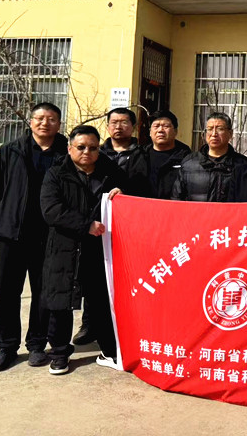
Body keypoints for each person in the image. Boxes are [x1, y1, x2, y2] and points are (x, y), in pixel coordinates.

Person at [0, 102, 68, 372]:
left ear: (59, 124)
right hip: (12, 232)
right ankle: (6, 346)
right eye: (39, 118)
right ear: (30, 122)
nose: (45, 123)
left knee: (43, 294)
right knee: (7, 292)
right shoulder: (10, 151)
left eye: (51, 119)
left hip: (50, 235)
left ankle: (37, 344)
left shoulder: (67, 153)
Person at [40, 125, 126, 375]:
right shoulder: (56, 173)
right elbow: (51, 210)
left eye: (93, 148)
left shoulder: (111, 172)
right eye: (81, 147)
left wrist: (122, 193)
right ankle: (59, 354)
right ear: (70, 149)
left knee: (101, 302)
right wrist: (85, 225)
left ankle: (109, 350)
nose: (87, 152)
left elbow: (130, 197)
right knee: (61, 302)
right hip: (64, 247)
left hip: (99, 249)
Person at [72, 106, 144, 347]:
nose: (118, 126)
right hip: (93, 226)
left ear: (133, 127)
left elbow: (144, 187)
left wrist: (125, 192)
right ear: (107, 126)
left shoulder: (143, 155)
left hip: (127, 228)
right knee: (92, 278)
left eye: (124, 122)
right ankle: (89, 324)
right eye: (114, 122)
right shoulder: (96, 152)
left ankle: (119, 326)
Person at [172, 111, 247, 202]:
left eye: (220, 129)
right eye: (210, 129)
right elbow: (176, 199)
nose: (214, 134)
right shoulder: (189, 163)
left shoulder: (243, 165)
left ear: (230, 133)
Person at [141, 110, 191, 199]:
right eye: (156, 126)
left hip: (174, 206)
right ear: (150, 132)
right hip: (143, 206)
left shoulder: (187, 158)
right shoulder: (139, 156)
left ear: (175, 131)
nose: (160, 130)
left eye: (166, 126)